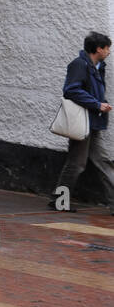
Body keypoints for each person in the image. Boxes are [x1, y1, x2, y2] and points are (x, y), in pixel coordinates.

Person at [52, 31, 114, 213]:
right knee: (76, 164)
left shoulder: (98, 66)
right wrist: (96, 104)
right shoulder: (79, 65)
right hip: (82, 122)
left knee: (102, 161)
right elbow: (70, 90)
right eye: (107, 48)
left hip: (93, 122)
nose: (109, 51)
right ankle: (59, 201)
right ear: (98, 49)